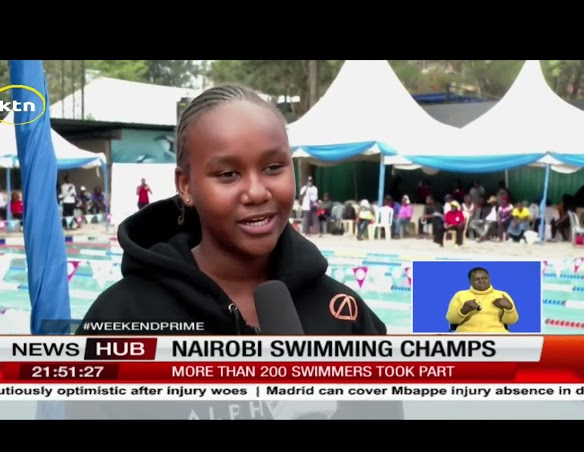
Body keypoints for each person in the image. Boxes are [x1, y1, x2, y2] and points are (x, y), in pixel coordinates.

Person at [76, 85, 386, 335]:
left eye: (274, 167)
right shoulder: (122, 320)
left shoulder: (344, 316)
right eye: (228, 174)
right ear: (185, 186)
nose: (256, 192)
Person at [446, 267, 518, 333]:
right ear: (470, 281)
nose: (481, 281)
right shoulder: (460, 295)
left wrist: (509, 308)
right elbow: (452, 320)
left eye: (484, 278)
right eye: (477, 279)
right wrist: (464, 310)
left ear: (489, 278)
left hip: (497, 334)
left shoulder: (501, 294)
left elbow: (511, 321)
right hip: (467, 335)